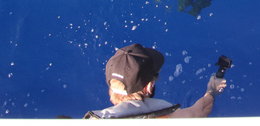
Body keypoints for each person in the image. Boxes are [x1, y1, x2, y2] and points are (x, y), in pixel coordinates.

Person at [84, 43, 227, 119]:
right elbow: (200, 111)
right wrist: (211, 91)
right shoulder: (167, 116)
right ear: (148, 87)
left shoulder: (96, 119)